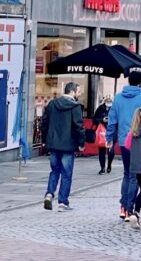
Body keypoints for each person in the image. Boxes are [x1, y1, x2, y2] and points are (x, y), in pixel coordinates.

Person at [107, 72, 141, 221]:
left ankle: (123, 207)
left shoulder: (118, 97)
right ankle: (129, 208)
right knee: (135, 176)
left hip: (123, 141)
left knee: (127, 174)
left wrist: (109, 138)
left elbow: (112, 120)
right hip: (140, 141)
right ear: (140, 82)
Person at [42, 82, 85, 212]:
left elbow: (45, 123)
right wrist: (81, 143)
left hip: (53, 144)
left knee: (54, 170)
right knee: (66, 174)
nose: (79, 94)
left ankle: (49, 194)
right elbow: (79, 126)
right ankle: (62, 203)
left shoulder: (52, 104)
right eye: (78, 92)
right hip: (68, 145)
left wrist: (45, 140)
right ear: (72, 92)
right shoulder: (75, 106)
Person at [92, 95, 114, 175]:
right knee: (101, 151)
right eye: (108, 100)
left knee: (111, 151)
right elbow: (94, 120)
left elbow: (118, 119)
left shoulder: (114, 108)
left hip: (111, 131)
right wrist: (102, 120)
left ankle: (109, 165)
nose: (109, 102)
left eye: (110, 100)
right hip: (101, 132)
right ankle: (102, 168)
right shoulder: (100, 108)